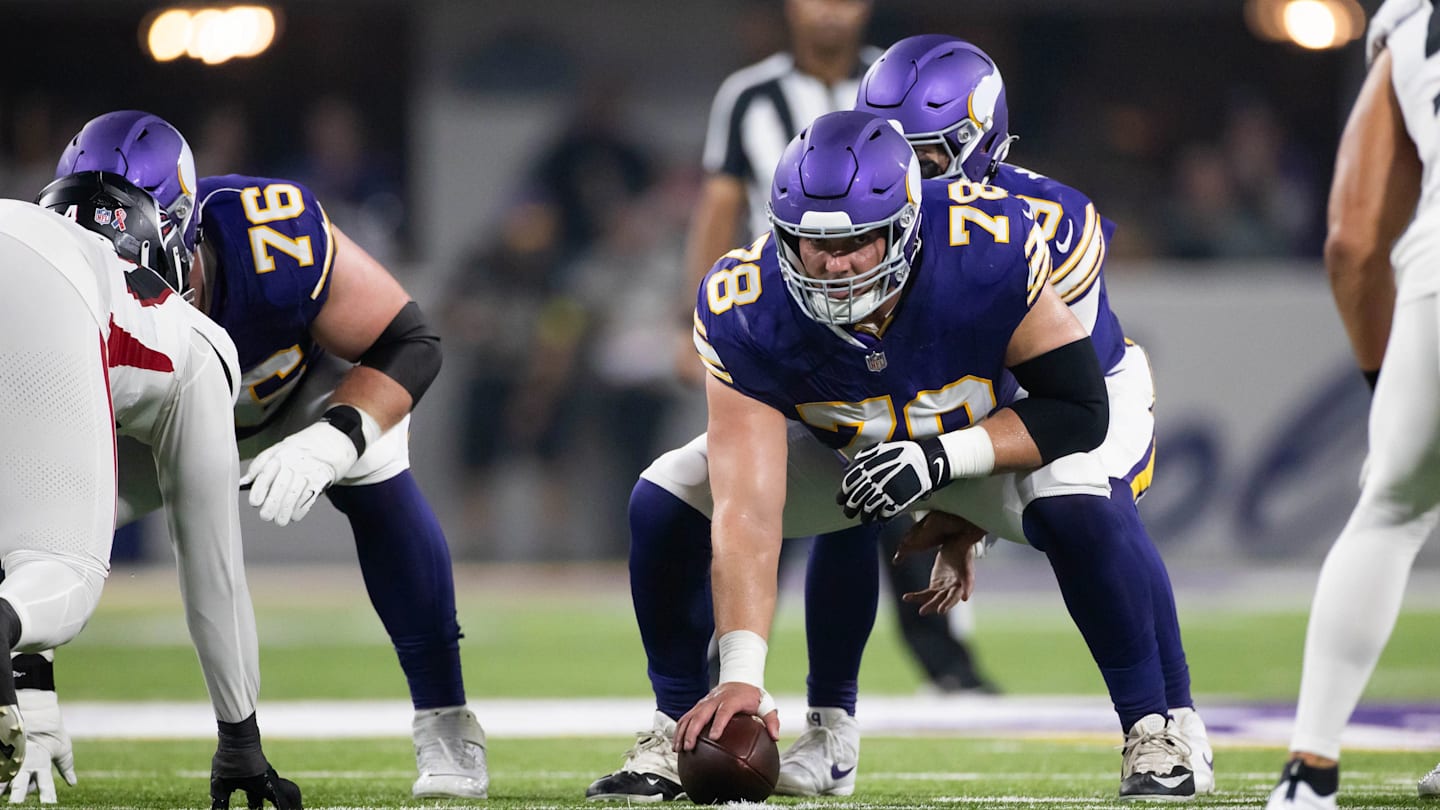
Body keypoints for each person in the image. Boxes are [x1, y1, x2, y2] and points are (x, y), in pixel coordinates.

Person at [588, 109, 1201, 803]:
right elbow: (746, 506)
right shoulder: (747, 303)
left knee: (1083, 496)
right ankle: (677, 727)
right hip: (855, 454)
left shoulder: (986, 245)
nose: (835, 265)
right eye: (814, 244)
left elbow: (1077, 408)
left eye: (857, 241)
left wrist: (943, 462)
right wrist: (741, 675)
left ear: (906, 224)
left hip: (974, 446)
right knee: (669, 492)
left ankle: (1155, 730)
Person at [49, 111, 486, 799]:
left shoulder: (266, 237)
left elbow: (410, 342)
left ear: (181, 227)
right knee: (33, 521)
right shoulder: (45, 281)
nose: (107, 274)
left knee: (374, 460)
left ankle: (445, 718)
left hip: (287, 404)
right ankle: (22, 708)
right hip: (147, 429)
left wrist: (333, 439)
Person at [683, 0, 1000, 756]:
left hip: (898, 324)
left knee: (900, 499)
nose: (829, 10)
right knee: (754, 506)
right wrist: (697, 317)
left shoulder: (898, 84)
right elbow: (720, 206)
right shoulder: (750, 96)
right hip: (785, 332)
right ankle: (722, 680)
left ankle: (942, 664)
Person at [2, 173, 299, 807]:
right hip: (57, 300)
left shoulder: (38, 233)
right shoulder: (197, 338)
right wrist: (241, 741)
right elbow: (212, 568)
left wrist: (32, 693)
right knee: (66, 569)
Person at [1265, 1, 1440, 806]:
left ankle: (1311, 771)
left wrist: (1383, 386)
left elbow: (1352, 242)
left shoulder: (1414, 20)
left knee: (1391, 511)